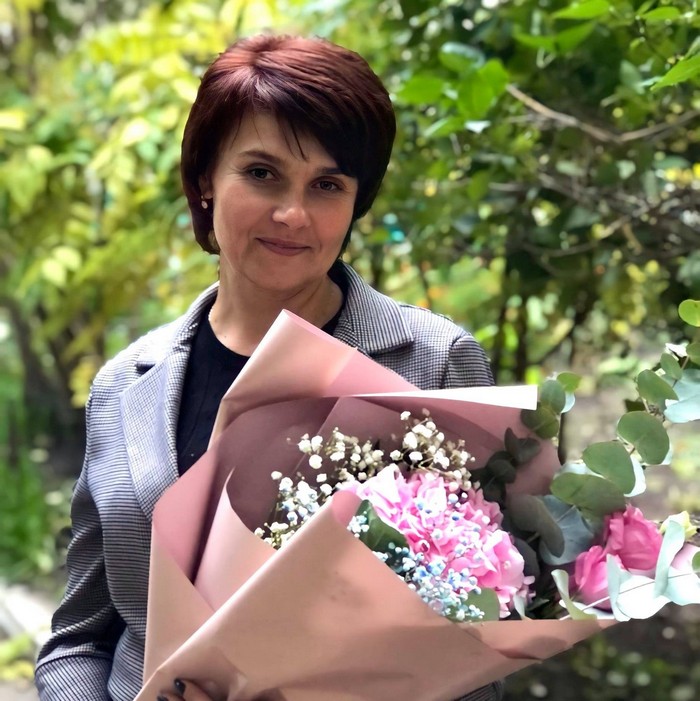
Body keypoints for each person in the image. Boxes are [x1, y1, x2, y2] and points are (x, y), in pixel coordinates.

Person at [35, 34, 501, 701]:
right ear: (205, 178)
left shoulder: (435, 362)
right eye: (261, 173)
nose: (292, 214)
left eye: (327, 185)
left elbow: (476, 644)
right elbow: (79, 639)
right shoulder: (123, 386)